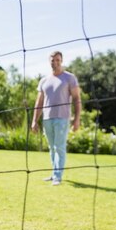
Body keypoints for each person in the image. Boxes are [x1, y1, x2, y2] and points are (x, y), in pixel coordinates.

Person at [31, 50, 82, 186]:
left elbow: (77, 99)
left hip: (62, 117)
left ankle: (58, 176)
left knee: (59, 147)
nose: (55, 62)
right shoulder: (44, 80)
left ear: (62, 61)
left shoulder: (69, 78)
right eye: (53, 60)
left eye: (58, 60)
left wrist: (77, 119)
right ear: (50, 62)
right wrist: (34, 120)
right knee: (51, 147)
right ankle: (54, 173)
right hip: (47, 118)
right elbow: (39, 102)